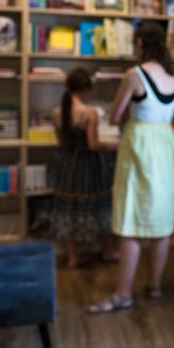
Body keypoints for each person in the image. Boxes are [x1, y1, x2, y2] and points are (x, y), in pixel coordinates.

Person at [88, 22, 174, 314]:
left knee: (129, 219)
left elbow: (115, 116)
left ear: (141, 43)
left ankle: (123, 293)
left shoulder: (134, 74)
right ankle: (155, 285)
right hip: (166, 144)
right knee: (162, 223)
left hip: (140, 144)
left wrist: (130, 111)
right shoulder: (173, 78)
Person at [50, 68, 118, 268]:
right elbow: (93, 145)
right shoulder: (89, 113)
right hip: (89, 166)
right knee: (100, 205)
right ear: (87, 88)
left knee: (68, 208)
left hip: (67, 164)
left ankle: (72, 257)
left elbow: (62, 141)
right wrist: (111, 145)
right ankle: (108, 251)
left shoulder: (56, 112)